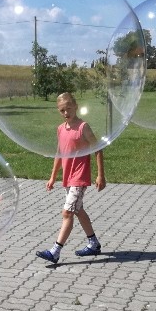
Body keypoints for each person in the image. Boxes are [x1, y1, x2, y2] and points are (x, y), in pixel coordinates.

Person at [35, 92, 105, 264]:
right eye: (62, 110)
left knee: (68, 212)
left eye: (68, 108)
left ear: (76, 106)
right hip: (68, 177)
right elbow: (59, 154)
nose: (66, 113)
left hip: (79, 177)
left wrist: (100, 175)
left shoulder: (83, 127)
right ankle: (94, 244)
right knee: (78, 210)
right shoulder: (60, 129)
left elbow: (98, 149)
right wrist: (53, 177)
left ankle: (55, 251)